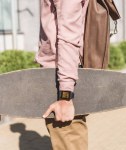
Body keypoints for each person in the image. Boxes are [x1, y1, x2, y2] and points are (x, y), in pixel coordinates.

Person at [34, 0, 89, 149]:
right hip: (64, 73)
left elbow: (68, 37)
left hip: (61, 77)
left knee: (69, 138)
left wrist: (65, 95)